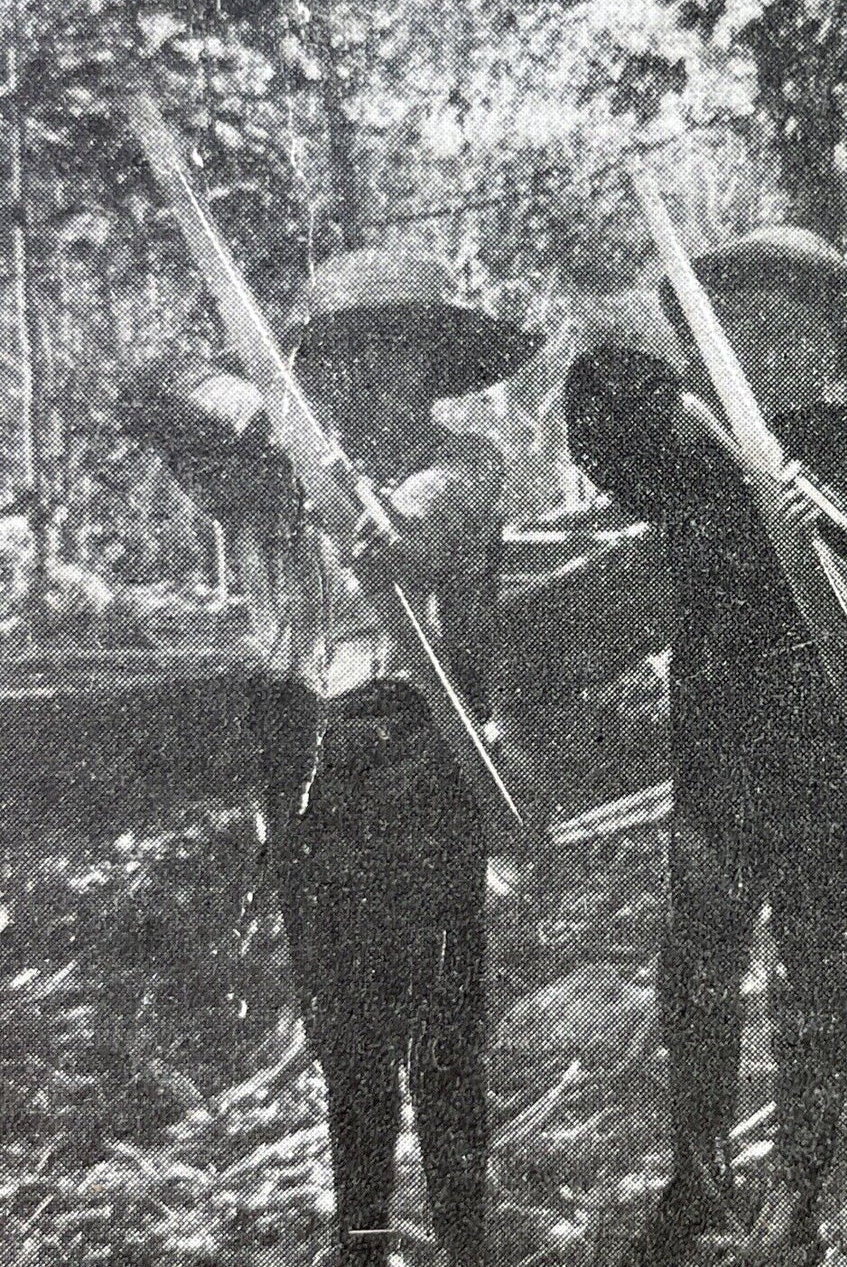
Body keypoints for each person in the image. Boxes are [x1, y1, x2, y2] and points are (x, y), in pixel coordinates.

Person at [118, 248, 541, 1266]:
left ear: (429, 368)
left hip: (419, 752)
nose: (375, 381)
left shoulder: (463, 461)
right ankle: (361, 1241)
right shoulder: (262, 475)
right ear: (323, 371)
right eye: (349, 359)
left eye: (400, 357)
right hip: (305, 760)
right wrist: (266, 411)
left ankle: (466, 1240)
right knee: (347, 1031)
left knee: (441, 1025)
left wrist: (367, 510)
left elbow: (414, 525)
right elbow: (148, 391)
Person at [565, 227, 847, 1267]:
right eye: (744, 326)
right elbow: (596, 393)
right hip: (714, 744)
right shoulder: (690, 449)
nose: (770, 345)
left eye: (791, 327)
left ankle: (796, 1189)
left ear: (823, 340)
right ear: (718, 342)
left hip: (816, 741)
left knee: (807, 963)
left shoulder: (839, 439)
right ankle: (699, 1176)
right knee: (696, 965)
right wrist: (676, 405)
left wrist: (815, 505)